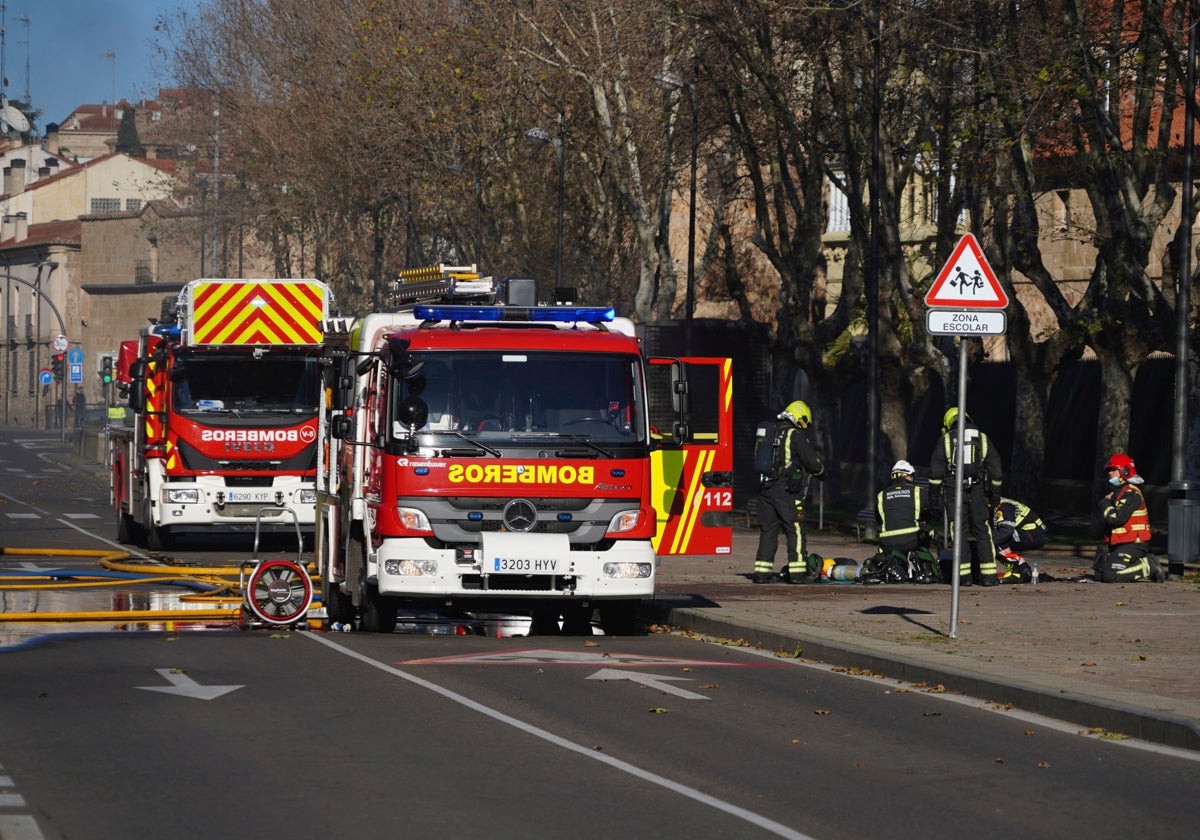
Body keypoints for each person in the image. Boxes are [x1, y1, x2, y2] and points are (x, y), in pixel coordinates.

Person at [752, 400, 826, 584]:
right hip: (786, 491)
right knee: (795, 529)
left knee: (768, 530)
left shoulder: (771, 431)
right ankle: (798, 573)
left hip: (765, 489)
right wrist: (822, 472)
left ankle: (762, 573)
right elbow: (811, 462)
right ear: (798, 417)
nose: (804, 427)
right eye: (804, 422)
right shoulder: (795, 435)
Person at [928, 407, 1003, 586]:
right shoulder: (983, 438)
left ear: (948, 423)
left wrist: (934, 502)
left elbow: (935, 475)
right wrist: (994, 497)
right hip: (977, 491)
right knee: (982, 531)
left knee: (959, 532)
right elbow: (996, 473)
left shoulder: (945, 440)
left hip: (954, 491)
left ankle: (964, 577)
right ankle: (988, 576)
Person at [1095, 454, 1164, 583]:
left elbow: (1115, 519)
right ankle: (1140, 563)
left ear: (1125, 472)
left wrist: (1105, 503)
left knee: (1110, 576)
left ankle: (1147, 566)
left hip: (1133, 544)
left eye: (1113, 470)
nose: (1110, 473)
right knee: (1100, 574)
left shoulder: (1131, 494)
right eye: (1109, 470)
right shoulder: (1120, 492)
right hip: (1121, 543)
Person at [992, 497, 1047, 583]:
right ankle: (1023, 569)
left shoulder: (1003, 506)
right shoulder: (997, 503)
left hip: (1033, 534)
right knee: (996, 538)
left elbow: (1006, 531)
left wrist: (989, 544)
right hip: (1031, 532)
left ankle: (1017, 571)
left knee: (997, 539)